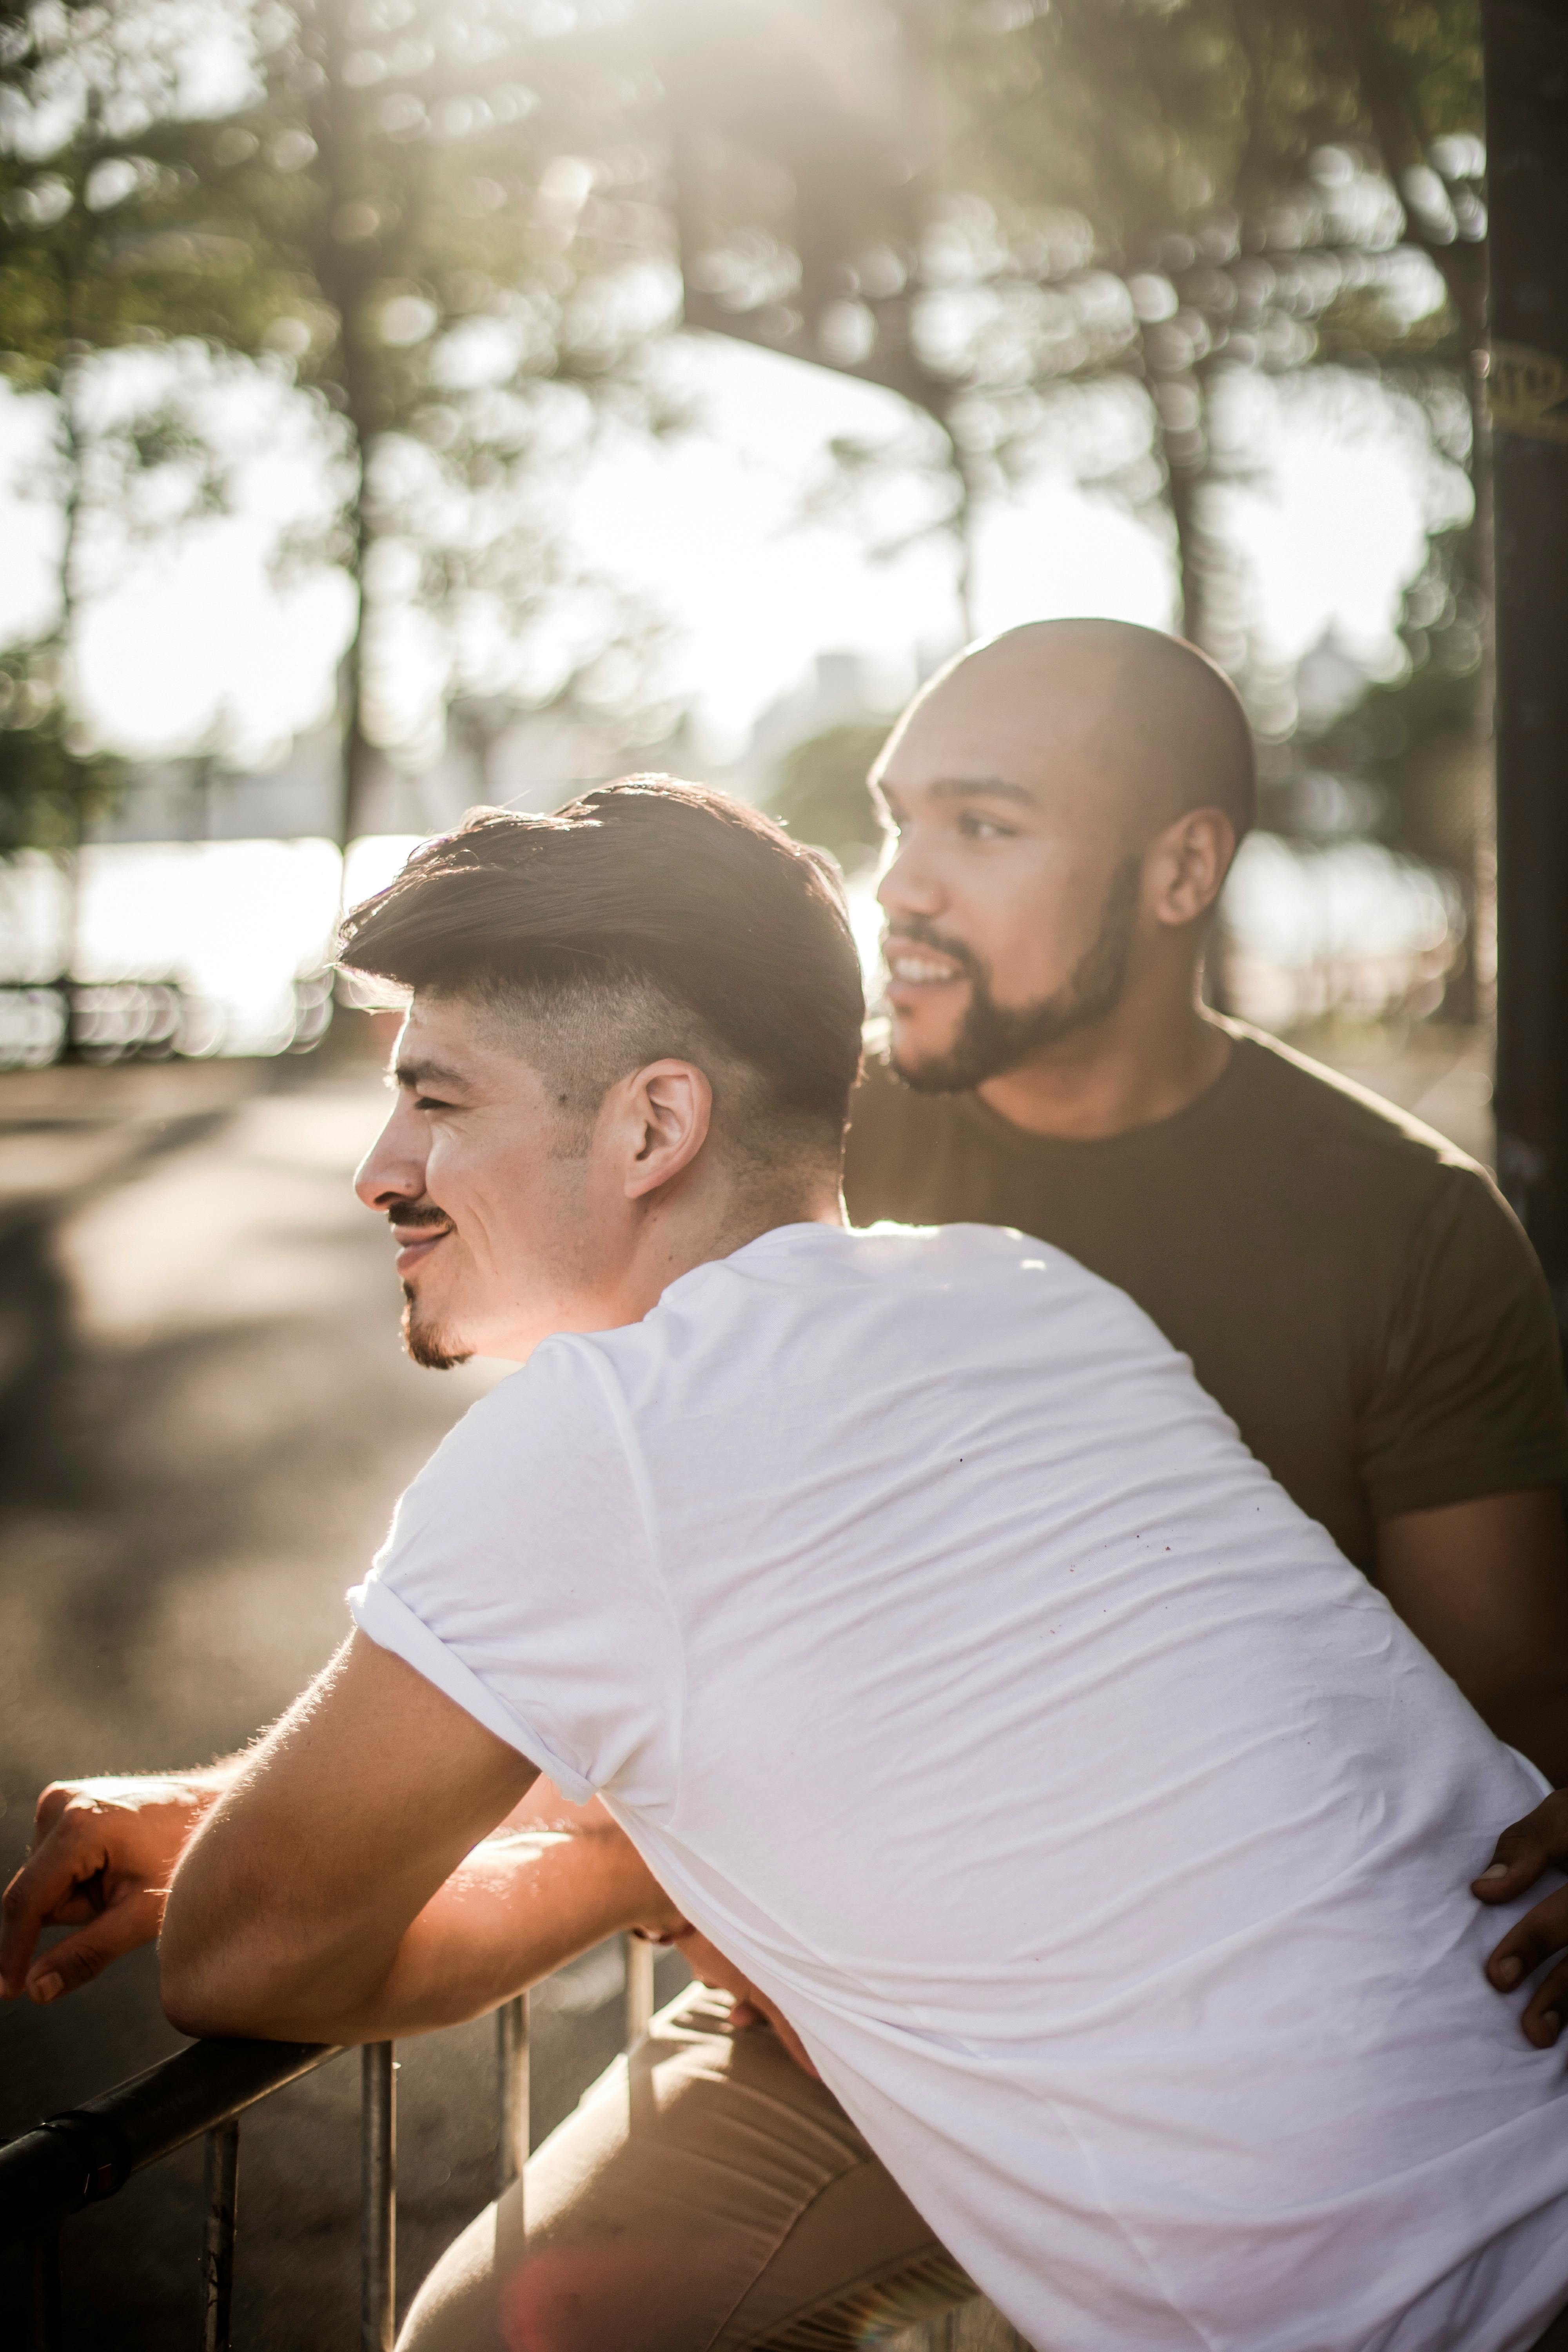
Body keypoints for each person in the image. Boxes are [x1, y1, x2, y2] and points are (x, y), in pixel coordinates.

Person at [10, 779, 1568, 2352]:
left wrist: (610, 1871)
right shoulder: (1025, 1295)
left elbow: (236, 1954)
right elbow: (820, 1725)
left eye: (440, 1099)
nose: (381, 1166)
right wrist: (232, 1809)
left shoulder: (598, 1436)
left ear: (653, 1125)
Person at [845, 618, 1568, 1781]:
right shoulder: (798, 1146)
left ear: (1183, 870)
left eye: (981, 826)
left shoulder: (1418, 1234)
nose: (899, 886)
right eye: (899, 820)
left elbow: (1495, 1735)